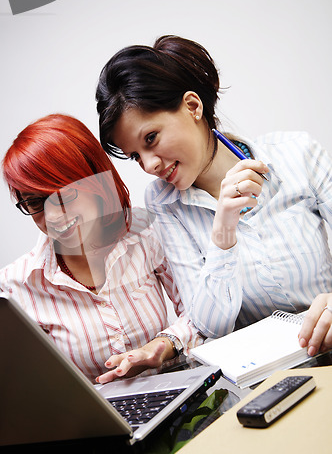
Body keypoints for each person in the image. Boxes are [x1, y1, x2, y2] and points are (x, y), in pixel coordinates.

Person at [96, 34, 332, 358]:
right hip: (263, 380)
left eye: (151, 138)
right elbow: (210, 326)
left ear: (193, 106)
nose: (149, 165)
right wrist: (222, 234)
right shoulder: (164, 203)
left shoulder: (296, 153)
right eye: (135, 155)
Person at [0, 113, 203, 384]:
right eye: (35, 203)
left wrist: (163, 346)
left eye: (62, 195)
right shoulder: (17, 285)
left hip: (179, 392)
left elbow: (199, 313)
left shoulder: (145, 230)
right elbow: (34, 386)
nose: (52, 217)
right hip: (96, 422)